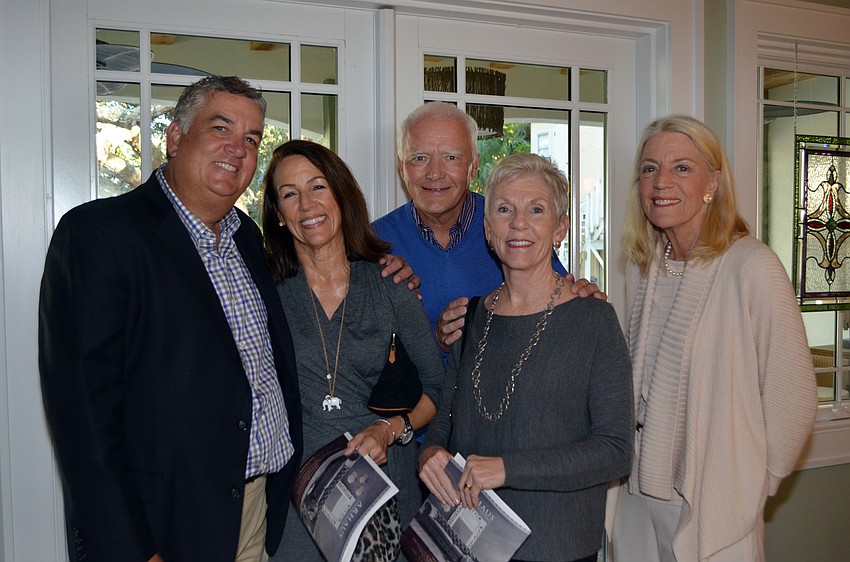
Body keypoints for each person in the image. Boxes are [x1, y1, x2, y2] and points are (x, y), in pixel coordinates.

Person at [39, 76, 303, 562]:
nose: (238, 148)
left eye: (251, 139)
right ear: (176, 138)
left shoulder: (245, 235)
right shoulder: (99, 235)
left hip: (250, 508)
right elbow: (83, 418)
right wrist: (133, 548)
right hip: (161, 525)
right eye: (221, 128)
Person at [609, 115, 817, 561]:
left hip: (711, 506)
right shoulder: (646, 266)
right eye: (649, 168)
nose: (661, 181)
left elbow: (794, 397)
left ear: (713, 182)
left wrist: (751, 483)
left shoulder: (752, 267)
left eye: (681, 167)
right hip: (637, 498)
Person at [418, 153, 634, 562]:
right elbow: (445, 419)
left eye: (536, 210)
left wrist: (506, 469)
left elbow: (615, 450)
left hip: (557, 546)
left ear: (560, 229)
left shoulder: (594, 320)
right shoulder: (473, 315)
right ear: (487, 229)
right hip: (467, 541)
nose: (519, 223)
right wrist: (431, 454)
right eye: (504, 210)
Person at [261, 140, 445, 562]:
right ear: (279, 215)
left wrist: (392, 429)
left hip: (385, 492)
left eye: (318, 187)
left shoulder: (390, 285)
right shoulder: (268, 295)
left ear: (341, 195)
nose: (307, 204)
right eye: (290, 194)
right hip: (299, 496)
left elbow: (438, 384)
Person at [372, 102, 601, 352]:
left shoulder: (510, 230)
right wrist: (434, 339)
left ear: (474, 166)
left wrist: (582, 300)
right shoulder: (374, 242)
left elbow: (552, 313)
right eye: (419, 158)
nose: (435, 173)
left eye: (451, 158)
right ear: (401, 166)